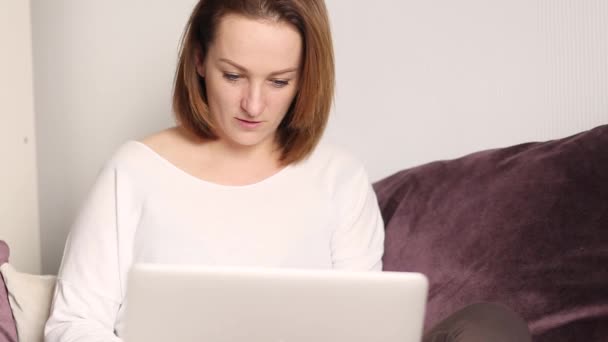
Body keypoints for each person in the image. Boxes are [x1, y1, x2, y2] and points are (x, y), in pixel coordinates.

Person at [44, 1, 531, 341]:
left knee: (490, 327)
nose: (253, 104)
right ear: (198, 61)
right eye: (232, 75)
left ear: (306, 78)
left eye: (278, 81)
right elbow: (73, 323)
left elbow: (364, 328)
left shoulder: (338, 175)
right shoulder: (133, 171)